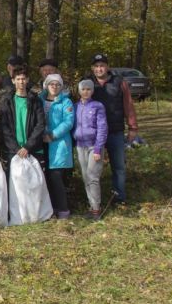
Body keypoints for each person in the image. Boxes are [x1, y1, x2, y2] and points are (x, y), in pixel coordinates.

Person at [87, 53, 138, 205]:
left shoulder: (119, 82)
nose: (99, 69)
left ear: (107, 67)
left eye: (102, 65)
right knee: (94, 170)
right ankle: (95, 201)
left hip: (115, 131)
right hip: (95, 134)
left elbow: (128, 105)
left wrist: (133, 127)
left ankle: (119, 198)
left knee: (119, 167)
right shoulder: (88, 83)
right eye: (96, 66)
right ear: (92, 68)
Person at [39, 74, 74, 219]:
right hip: (41, 142)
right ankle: (49, 209)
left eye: (57, 84)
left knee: (56, 177)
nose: (54, 87)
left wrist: (52, 135)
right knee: (45, 177)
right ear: (46, 85)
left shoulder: (66, 102)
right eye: (51, 84)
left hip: (58, 144)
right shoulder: (39, 100)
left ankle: (63, 209)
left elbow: (68, 122)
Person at [73, 79, 108, 220]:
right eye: (83, 89)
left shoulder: (97, 106)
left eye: (88, 89)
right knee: (85, 177)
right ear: (79, 91)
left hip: (94, 146)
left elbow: (102, 127)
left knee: (93, 177)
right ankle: (92, 205)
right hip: (80, 146)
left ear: (92, 91)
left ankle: (96, 209)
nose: (85, 91)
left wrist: (99, 148)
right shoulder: (75, 107)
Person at [0, 65, 46, 166]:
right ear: (13, 81)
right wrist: (16, 148)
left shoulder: (35, 100)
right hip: (13, 151)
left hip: (33, 149)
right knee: (14, 182)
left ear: (27, 80)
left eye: (23, 79)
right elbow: (4, 126)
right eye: (18, 79)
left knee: (36, 181)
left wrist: (27, 146)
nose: (21, 82)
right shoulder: (7, 101)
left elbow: (40, 124)